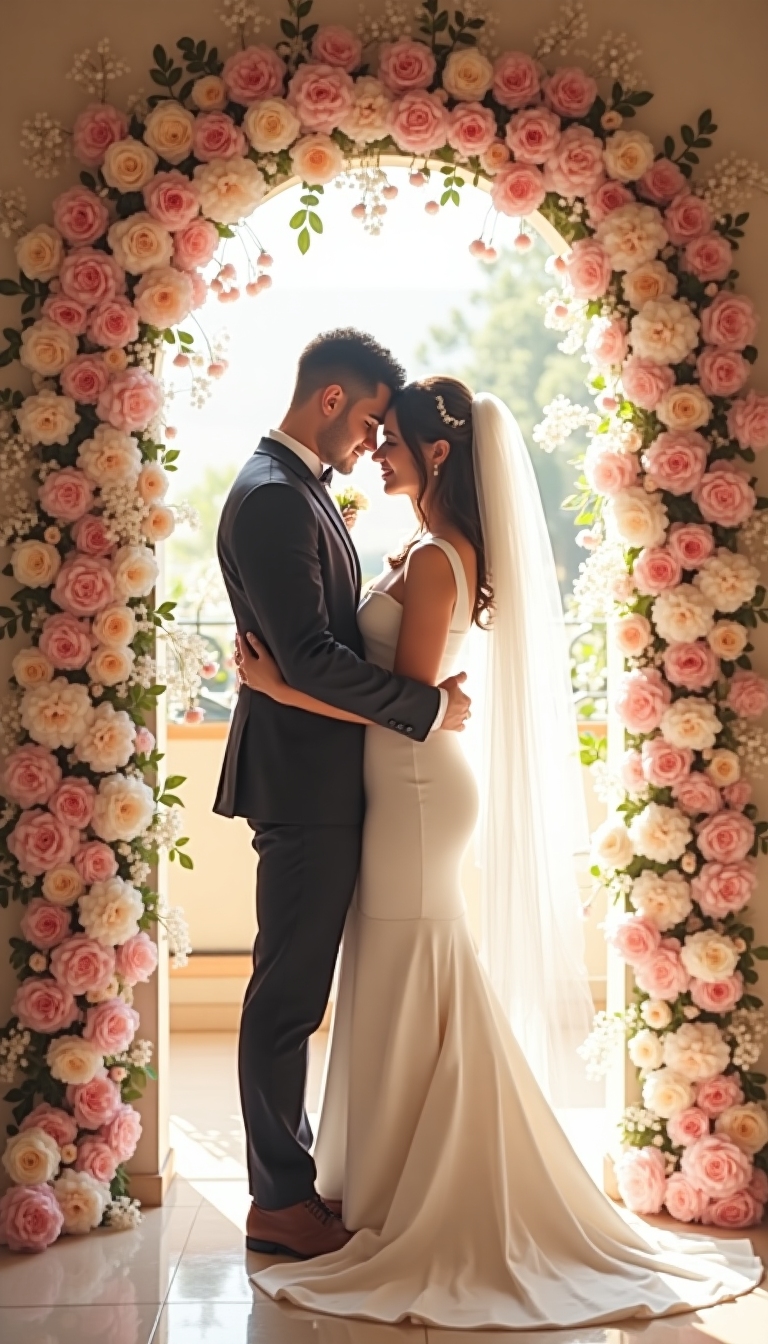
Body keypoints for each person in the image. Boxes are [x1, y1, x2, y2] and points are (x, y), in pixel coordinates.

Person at [236, 377, 762, 1330]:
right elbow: (404, 695)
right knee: (402, 972)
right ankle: (393, 1179)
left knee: (415, 965)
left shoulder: (438, 560)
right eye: (376, 433)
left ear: (439, 454)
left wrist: (279, 689)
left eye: (391, 439)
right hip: (404, 787)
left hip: (419, 792)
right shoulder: (425, 551)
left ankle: (429, 1189)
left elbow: (398, 705)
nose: (379, 451)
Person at [214, 331, 471, 1262]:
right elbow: (312, 656)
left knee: (298, 990)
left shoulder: (292, 491)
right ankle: (280, 1201)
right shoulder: (276, 499)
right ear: (330, 399)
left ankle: (298, 1184)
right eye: (368, 420)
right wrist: (425, 706)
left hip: (329, 773)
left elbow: (315, 655)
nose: (372, 442)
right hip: (305, 784)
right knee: (287, 997)